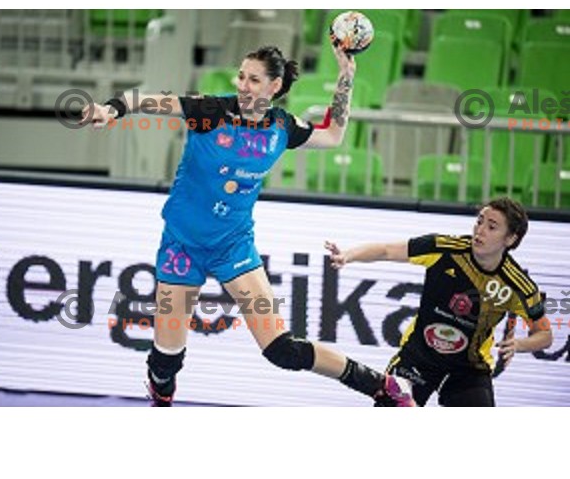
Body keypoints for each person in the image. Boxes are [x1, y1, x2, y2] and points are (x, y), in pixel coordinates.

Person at [80, 44, 415, 407]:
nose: (243, 85)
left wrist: (346, 77)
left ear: (274, 86)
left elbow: (333, 134)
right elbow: (144, 101)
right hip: (182, 246)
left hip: (233, 247)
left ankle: (382, 386)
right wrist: (109, 109)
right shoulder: (210, 110)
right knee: (166, 361)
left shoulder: (281, 127)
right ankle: (160, 388)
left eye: (254, 79)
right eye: (241, 76)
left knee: (281, 349)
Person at [325, 197, 553, 407]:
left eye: (491, 227)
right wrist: (348, 255)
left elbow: (545, 336)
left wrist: (519, 345)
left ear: (511, 239)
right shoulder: (445, 249)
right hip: (419, 356)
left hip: (469, 368)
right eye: (479, 221)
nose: (480, 231)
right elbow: (386, 251)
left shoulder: (517, 286)